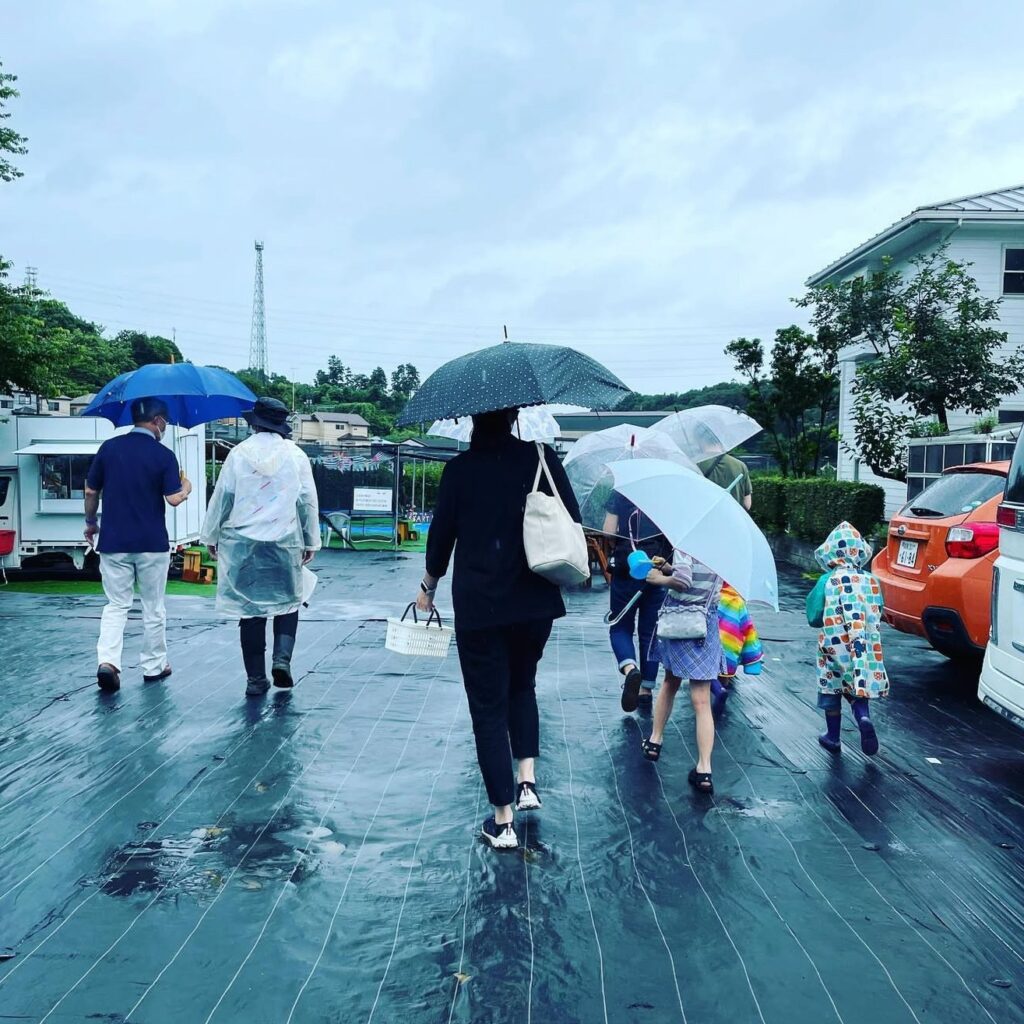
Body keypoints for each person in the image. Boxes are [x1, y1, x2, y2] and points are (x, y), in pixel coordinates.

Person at [416, 408, 581, 850]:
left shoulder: (459, 470)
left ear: (472, 419)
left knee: (488, 708)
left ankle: (503, 822)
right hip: (535, 598)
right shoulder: (541, 457)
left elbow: (441, 538)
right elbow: (571, 514)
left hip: (480, 606)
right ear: (514, 415)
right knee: (523, 685)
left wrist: (428, 587)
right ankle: (527, 782)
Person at [201, 397, 320, 697]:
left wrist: (211, 536)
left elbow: (223, 497)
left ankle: (256, 679)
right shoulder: (295, 455)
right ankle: (281, 659)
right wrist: (311, 541)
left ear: (254, 423)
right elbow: (307, 501)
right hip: (284, 541)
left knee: (249, 609)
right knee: (289, 602)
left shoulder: (239, 454)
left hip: (243, 544)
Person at [84, 397, 192, 692]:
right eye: (165, 422)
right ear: (157, 421)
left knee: (116, 605)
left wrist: (91, 522)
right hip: (151, 544)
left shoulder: (109, 448)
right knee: (153, 607)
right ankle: (154, 666)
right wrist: (186, 487)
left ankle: (108, 662)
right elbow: (174, 498)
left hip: (113, 541)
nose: (166, 426)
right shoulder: (164, 455)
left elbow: (91, 490)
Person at [640, 551, 723, 795]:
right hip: (705, 622)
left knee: (670, 682)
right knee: (702, 700)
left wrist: (659, 579)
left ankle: (654, 741)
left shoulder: (689, 545)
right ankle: (704, 770)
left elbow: (684, 581)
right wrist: (669, 568)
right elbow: (694, 578)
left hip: (679, 619)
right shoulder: (723, 551)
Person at [806, 522, 888, 756]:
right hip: (864, 645)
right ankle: (862, 716)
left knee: (831, 687)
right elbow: (879, 610)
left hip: (833, 646)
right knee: (857, 679)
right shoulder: (871, 581)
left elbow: (814, 616)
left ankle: (833, 737)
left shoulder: (827, 580)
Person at [602, 495, 672, 712]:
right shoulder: (667, 495)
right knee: (650, 632)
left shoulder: (621, 493)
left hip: (626, 566)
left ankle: (630, 668)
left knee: (620, 626)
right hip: (657, 567)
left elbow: (608, 531)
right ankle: (646, 690)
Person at [713, 584, 763, 714]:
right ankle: (723, 688)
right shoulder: (737, 599)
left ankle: (715, 690)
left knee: (703, 668)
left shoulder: (711, 593)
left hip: (709, 635)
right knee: (726, 665)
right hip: (730, 640)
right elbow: (747, 627)